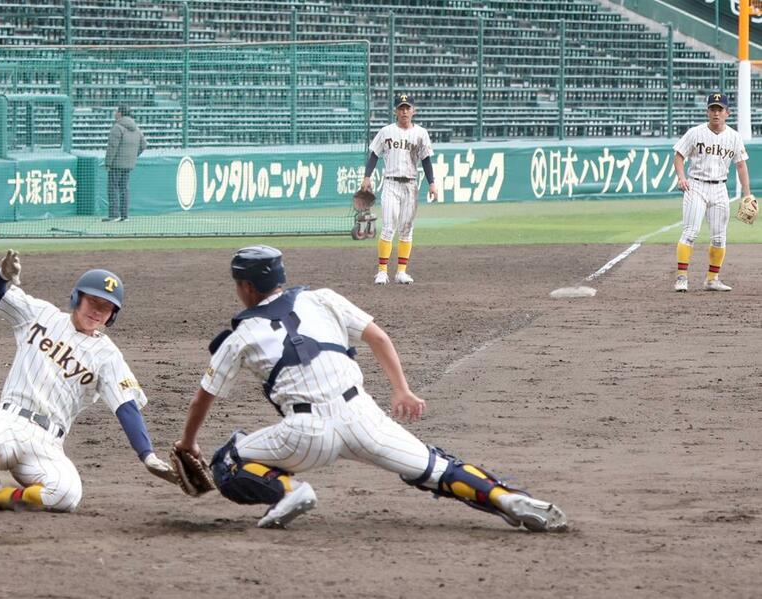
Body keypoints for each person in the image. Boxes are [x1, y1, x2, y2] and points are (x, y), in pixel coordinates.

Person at [174, 245, 568, 532]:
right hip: (363, 417)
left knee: (228, 460)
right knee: (437, 468)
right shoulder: (322, 299)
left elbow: (202, 397)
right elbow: (378, 337)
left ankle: (288, 491)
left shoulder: (241, 336)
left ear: (246, 287)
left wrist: (188, 443)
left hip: (305, 434)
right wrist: (402, 391)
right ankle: (505, 498)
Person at [0, 250, 177, 515]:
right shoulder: (40, 314)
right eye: (93, 301)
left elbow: (126, 408)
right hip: (9, 420)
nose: (97, 311)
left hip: (47, 443)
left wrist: (147, 455)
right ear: (77, 298)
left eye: (106, 307)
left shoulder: (108, 356)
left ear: (112, 315)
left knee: (67, 493)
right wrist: (1, 276)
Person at [673, 92, 751, 292]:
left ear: (727, 113)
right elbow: (679, 155)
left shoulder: (734, 137)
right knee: (690, 232)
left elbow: (741, 165)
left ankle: (712, 279)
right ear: (707, 112)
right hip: (696, 185)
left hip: (720, 188)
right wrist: (681, 177)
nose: (716, 113)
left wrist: (747, 194)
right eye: (712, 109)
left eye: (720, 109)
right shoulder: (695, 133)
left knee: (719, 237)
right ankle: (681, 278)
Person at [361, 93, 437, 285]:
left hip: (411, 185)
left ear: (413, 110)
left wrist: (432, 183)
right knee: (388, 228)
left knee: (406, 229)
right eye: (401, 108)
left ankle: (401, 272)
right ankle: (382, 272)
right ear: (395, 111)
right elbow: (374, 155)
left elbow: (426, 160)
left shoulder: (421, 133)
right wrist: (367, 177)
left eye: (407, 108)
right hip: (391, 184)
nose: (404, 111)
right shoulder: (386, 131)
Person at [103, 105, 147, 222]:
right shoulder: (136, 128)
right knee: (124, 189)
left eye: (116, 112)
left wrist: (108, 163)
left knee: (113, 189)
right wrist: (133, 156)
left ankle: (114, 215)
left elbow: (112, 147)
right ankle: (124, 215)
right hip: (128, 165)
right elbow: (144, 145)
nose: (115, 114)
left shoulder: (117, 127)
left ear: (120, 113)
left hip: (116, 164)